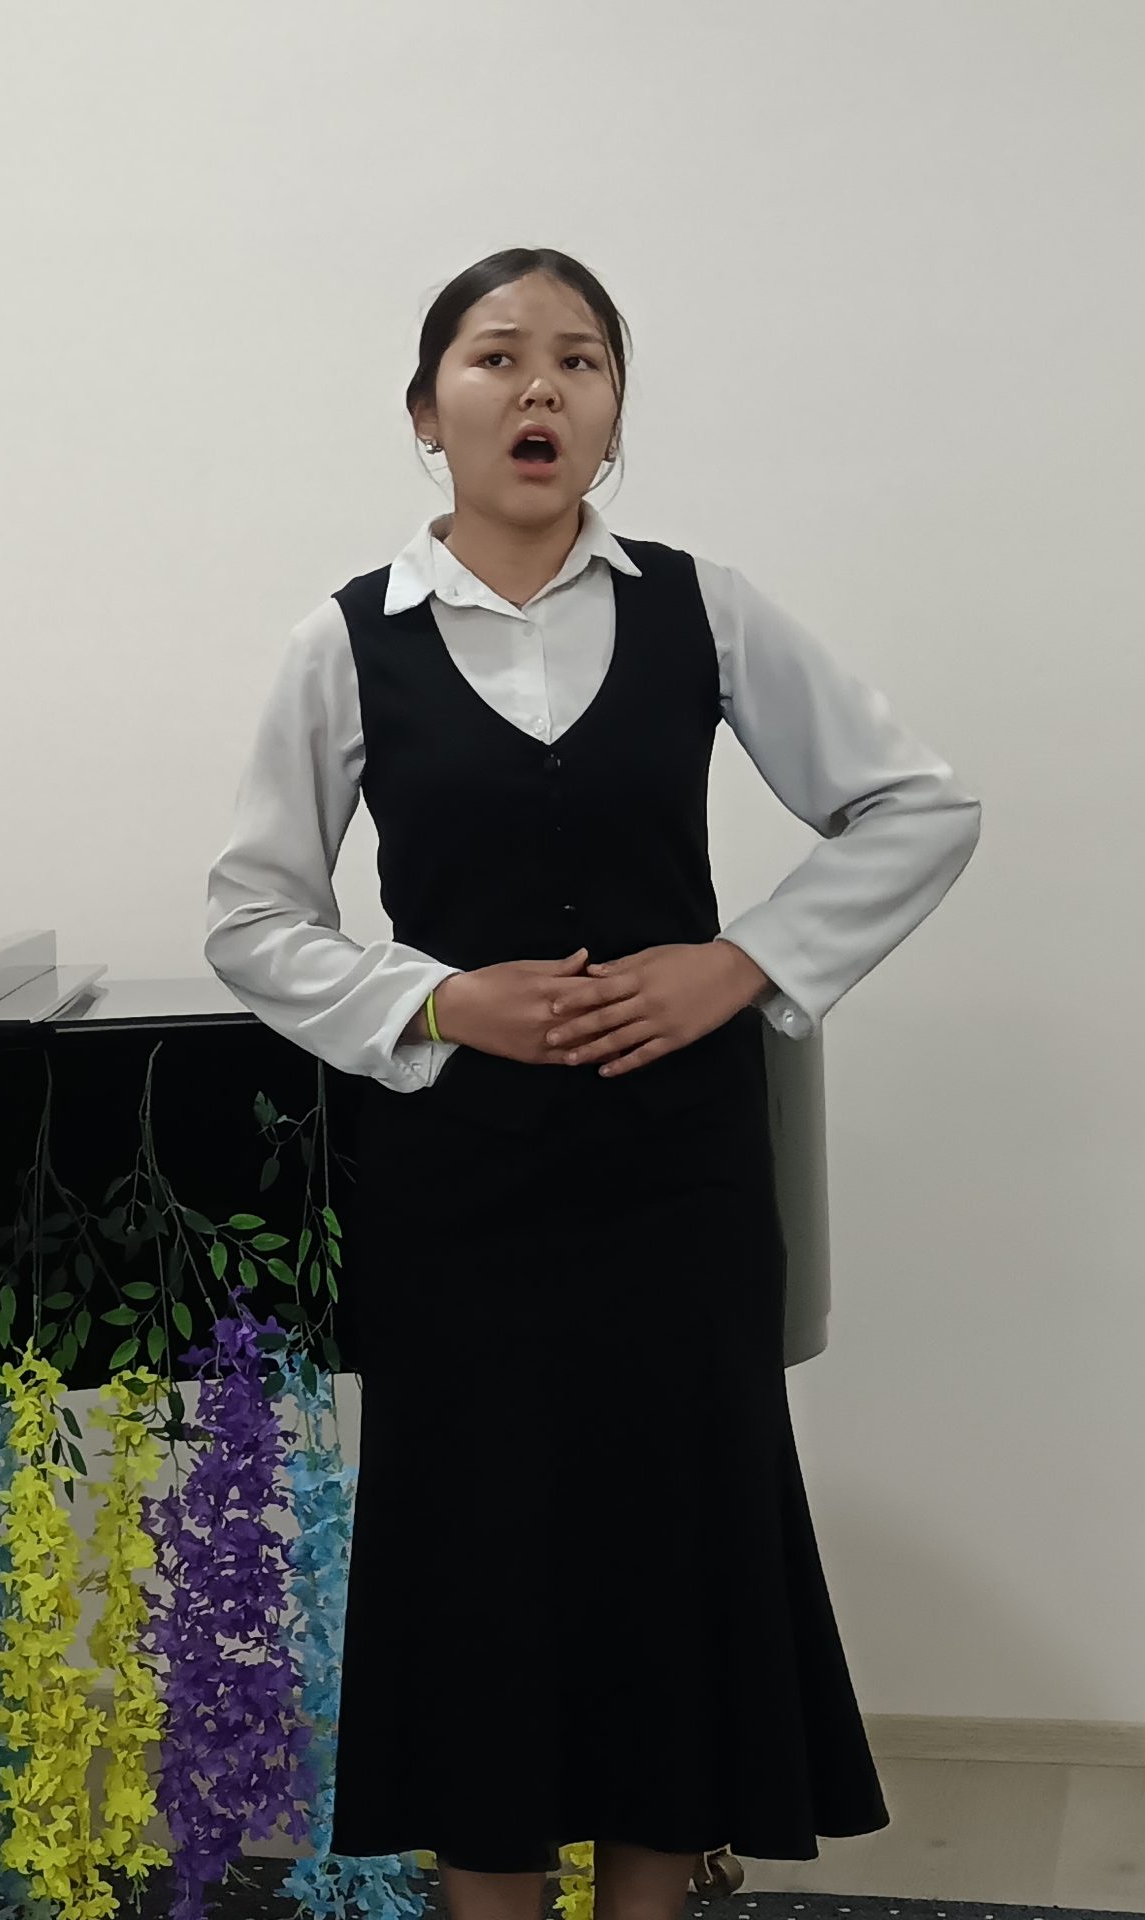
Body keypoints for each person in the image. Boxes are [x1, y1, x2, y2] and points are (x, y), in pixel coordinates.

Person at [205, 248, 980, 1920]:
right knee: (477, 1580)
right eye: (497, 357)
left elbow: (920, 805)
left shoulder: (706, 608)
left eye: (581, 359)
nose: (541, 386)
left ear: (614, 415)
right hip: (458, 1193)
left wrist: (741, 960)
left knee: (669, 1568)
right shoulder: (346, 640)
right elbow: (252, 919)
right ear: (429, 412)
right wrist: (435, 1001)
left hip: (677, 1181)